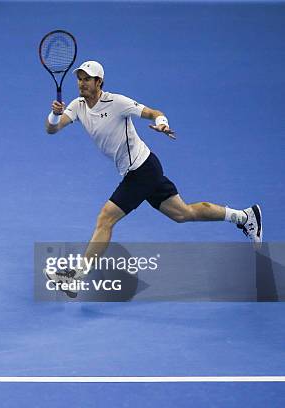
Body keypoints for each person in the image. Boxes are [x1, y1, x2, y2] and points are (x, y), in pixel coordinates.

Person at [43, 60, 262, 297]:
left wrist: (161, 124)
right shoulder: (77, 106)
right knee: (183, 214)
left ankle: (76, 277)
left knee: (105, 218)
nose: (82, 83)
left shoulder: (117, 103)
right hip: (143, 168)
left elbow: (154, 113)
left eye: (88, 79)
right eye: (80, 78)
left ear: (99, 82)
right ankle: (245, 216)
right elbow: (51, 129)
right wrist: (55, 116)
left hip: (142, 170)